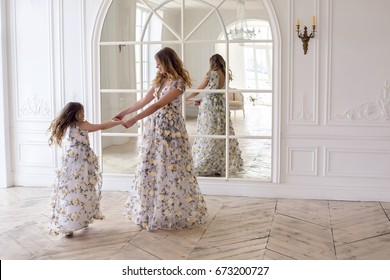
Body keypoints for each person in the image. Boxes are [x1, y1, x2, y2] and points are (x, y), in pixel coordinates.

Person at [114, 47, 208, 231]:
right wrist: (123, 113)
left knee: (170, 166)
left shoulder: (178, 84)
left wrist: (133, 120)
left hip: (170, 130)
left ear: (167, 63)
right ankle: (150, 209)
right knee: (151, 165)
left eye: (159, 65)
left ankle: (170, 210)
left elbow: (158, 104)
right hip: (154, 129)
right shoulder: (160, 81)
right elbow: (143, 101)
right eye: (156, 66)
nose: (157, 69)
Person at [48, 102, 122, 236]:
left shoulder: (69, 126)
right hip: (80, 161)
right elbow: (101, 126)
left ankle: (76, 220)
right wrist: (116, 122)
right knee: (81, 187)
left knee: (73, 189)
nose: (84, 114)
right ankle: (72, 222)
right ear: (74, 113)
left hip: (72, 160)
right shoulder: (79, 125)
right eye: (82, 111)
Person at [186, 54, 244, 176]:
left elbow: (199, 89)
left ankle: (209, 160)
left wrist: (186, 97)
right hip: (221, 104)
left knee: (208, 131)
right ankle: (219, 162)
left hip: (210, 105)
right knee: (220, 131)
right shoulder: (225, 74)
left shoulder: (211, 73)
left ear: (212, 62)